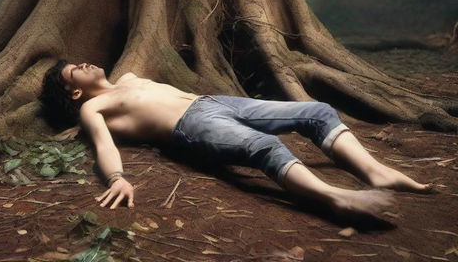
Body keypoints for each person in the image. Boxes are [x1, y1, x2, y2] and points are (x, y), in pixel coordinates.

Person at [39, 59, 434, 222]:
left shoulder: (127, 78)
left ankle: (376, 172)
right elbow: (104, 146)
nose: (86, 63)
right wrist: (116, 177)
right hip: (191, 126)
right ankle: (331, 196)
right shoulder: (96, 108)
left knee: (317, 111)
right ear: (74, 92)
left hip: (214, 102)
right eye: (76, 70)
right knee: (265, 147)